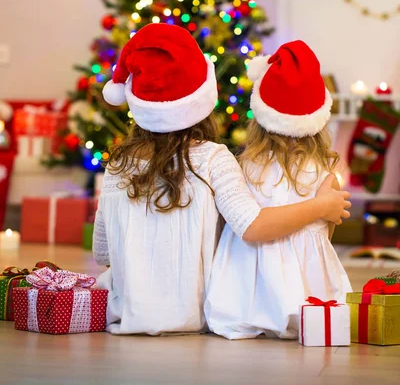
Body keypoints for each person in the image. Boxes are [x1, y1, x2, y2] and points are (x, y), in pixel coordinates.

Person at [93, 25, 351, 335]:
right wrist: (320, 207)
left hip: (124, 312)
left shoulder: (118, 163)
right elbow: (251, 225)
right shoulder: (213, 158)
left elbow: (102, 252)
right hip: (194, 316)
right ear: (203, 96)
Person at [205, 40, 352, 340]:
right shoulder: (326, 175)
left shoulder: (242, 168)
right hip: (307, 302)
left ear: (260, 118)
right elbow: (324, 237)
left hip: (243, 300)